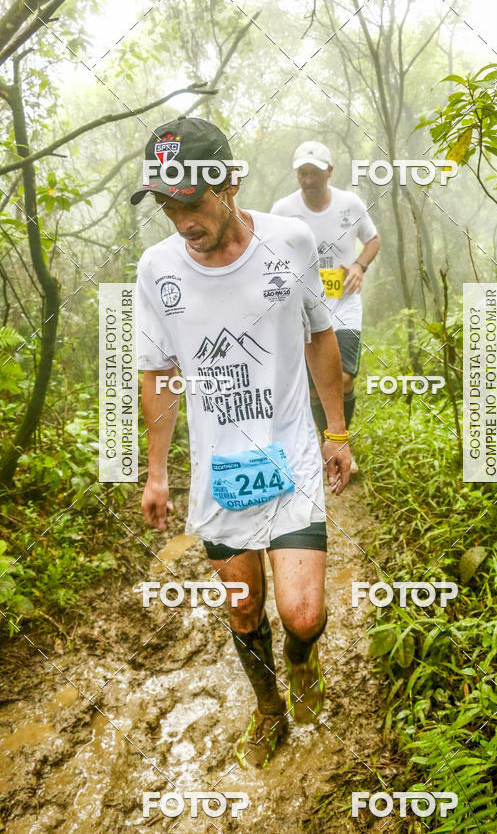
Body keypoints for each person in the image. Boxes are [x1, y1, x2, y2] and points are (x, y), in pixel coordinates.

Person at [132, 117, 351, 770]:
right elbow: (158, 374)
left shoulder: (291, 241)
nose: (181, 220)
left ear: (228, 184)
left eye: (191, 202)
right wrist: (156, 473)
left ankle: (303, 659)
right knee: (244, 605)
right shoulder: (157, 269)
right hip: (220, 468)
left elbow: (320, 334)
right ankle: (269, 708)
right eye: (166, 205)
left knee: (302, 612)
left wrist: (337, 431)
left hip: (291, 451)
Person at [271, 141, 381, 473]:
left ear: (329, 171)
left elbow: (373, 239)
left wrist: (359, 265)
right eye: (302, 173)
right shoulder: (283, 210)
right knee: (314, 387)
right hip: (303, 311)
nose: (308, 180)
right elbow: (269, 252)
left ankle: (340, 439)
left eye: (314, 173)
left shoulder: (350, 204)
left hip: (343, 305)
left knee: (343, 379)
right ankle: (327, 441)